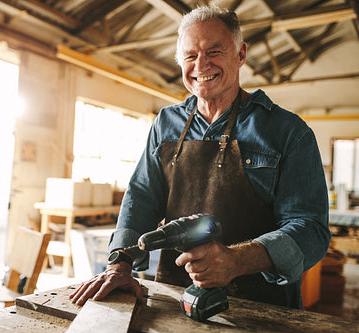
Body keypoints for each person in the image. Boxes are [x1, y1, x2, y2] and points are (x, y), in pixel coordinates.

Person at [70, 6, 330, 309]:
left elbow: (311, 229)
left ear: (241, 54)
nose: (200, 65)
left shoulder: (287, 132)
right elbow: (141, 197)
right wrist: (120, 263)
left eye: (214, 52)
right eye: (190, 56)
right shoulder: (166, 123)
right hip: (175, 298)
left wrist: (236, 260)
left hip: (263, 307)